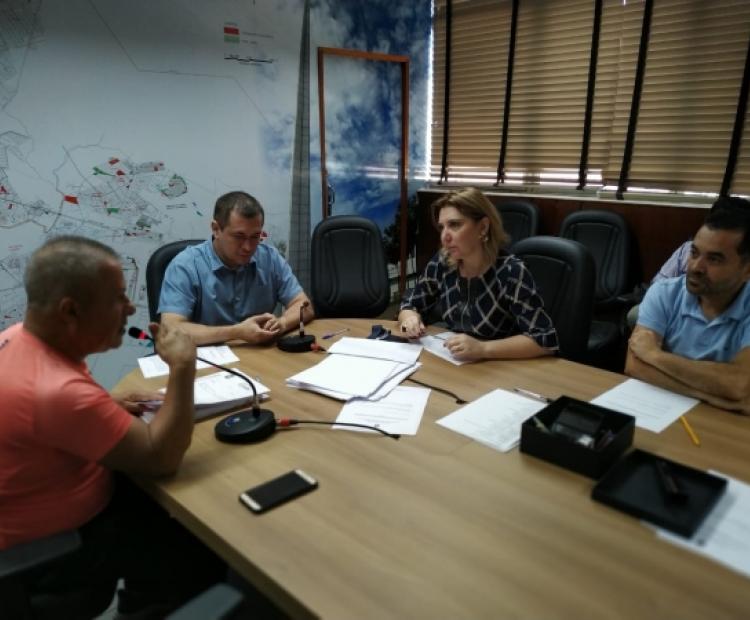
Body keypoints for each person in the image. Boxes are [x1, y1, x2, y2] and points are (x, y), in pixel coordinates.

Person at [0, 236, 225, 618]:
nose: (131, 307)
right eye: (118, 297)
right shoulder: (58, 392)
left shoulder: (17, 337)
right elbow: (162, 456)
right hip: (59, 553)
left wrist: (101, 404)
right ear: (70, 311)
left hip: (36, 511)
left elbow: (45, 415)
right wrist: (183, 366)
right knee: (199, 542)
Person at [398, 188, 558, 362]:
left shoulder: (511, 271)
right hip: (455, 360)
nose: (444, 236)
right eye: (442, 227)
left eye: (455, 225)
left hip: (502, 366)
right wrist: (409, 318)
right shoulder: (443, 261)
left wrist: (483, 349)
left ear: (483, 227)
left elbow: (544, 340)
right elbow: (410, 304)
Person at [626, 202, 750, 414]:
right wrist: (714, 395)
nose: (695, 267)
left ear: (747, 270)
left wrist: (654, 355)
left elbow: (740, 383)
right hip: (664, 412)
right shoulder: (664, 293)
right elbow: (634, 367)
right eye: (694, 252)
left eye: (714, 259)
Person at [158, 191, 314, 346]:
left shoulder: (270, 258)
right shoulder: (185, 266)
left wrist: (283, 323)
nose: (248, 247)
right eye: (239, 236)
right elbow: (171, 329)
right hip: (205, 357)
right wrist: (236, 332)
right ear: (216, 229)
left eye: (255, 236)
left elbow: (304, 306)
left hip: (259, 355)